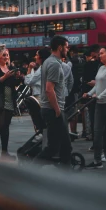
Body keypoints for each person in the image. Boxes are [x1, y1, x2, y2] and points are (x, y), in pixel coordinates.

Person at [37, 36, 72, 165]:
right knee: (56, 147)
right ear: (60, 47)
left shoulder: (49, 62)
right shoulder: (54, 64)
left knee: (63, 146)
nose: (67, 50)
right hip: (52, 109)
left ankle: (64, 173)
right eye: (66, 47)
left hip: (51, 108)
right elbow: (49, 89)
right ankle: (33, 169)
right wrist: (57, 110)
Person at [0, 48, 22, 160]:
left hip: (9, 99)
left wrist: (17, 77)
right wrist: (4, 77)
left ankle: (4, 152)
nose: (6, 57)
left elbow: (12, 84)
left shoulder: (10, 68)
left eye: (7, 55)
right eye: (4, 55)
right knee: (0, 124)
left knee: (6, 126)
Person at [85, 46, 106, 169]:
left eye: (102, 53)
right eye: (100, 53)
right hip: (99, 104)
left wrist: (100, 96)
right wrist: (90, 93)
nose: (100, 55)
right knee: (97, 132)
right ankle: (97, 160)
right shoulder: (101, 67)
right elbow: (98, 84)